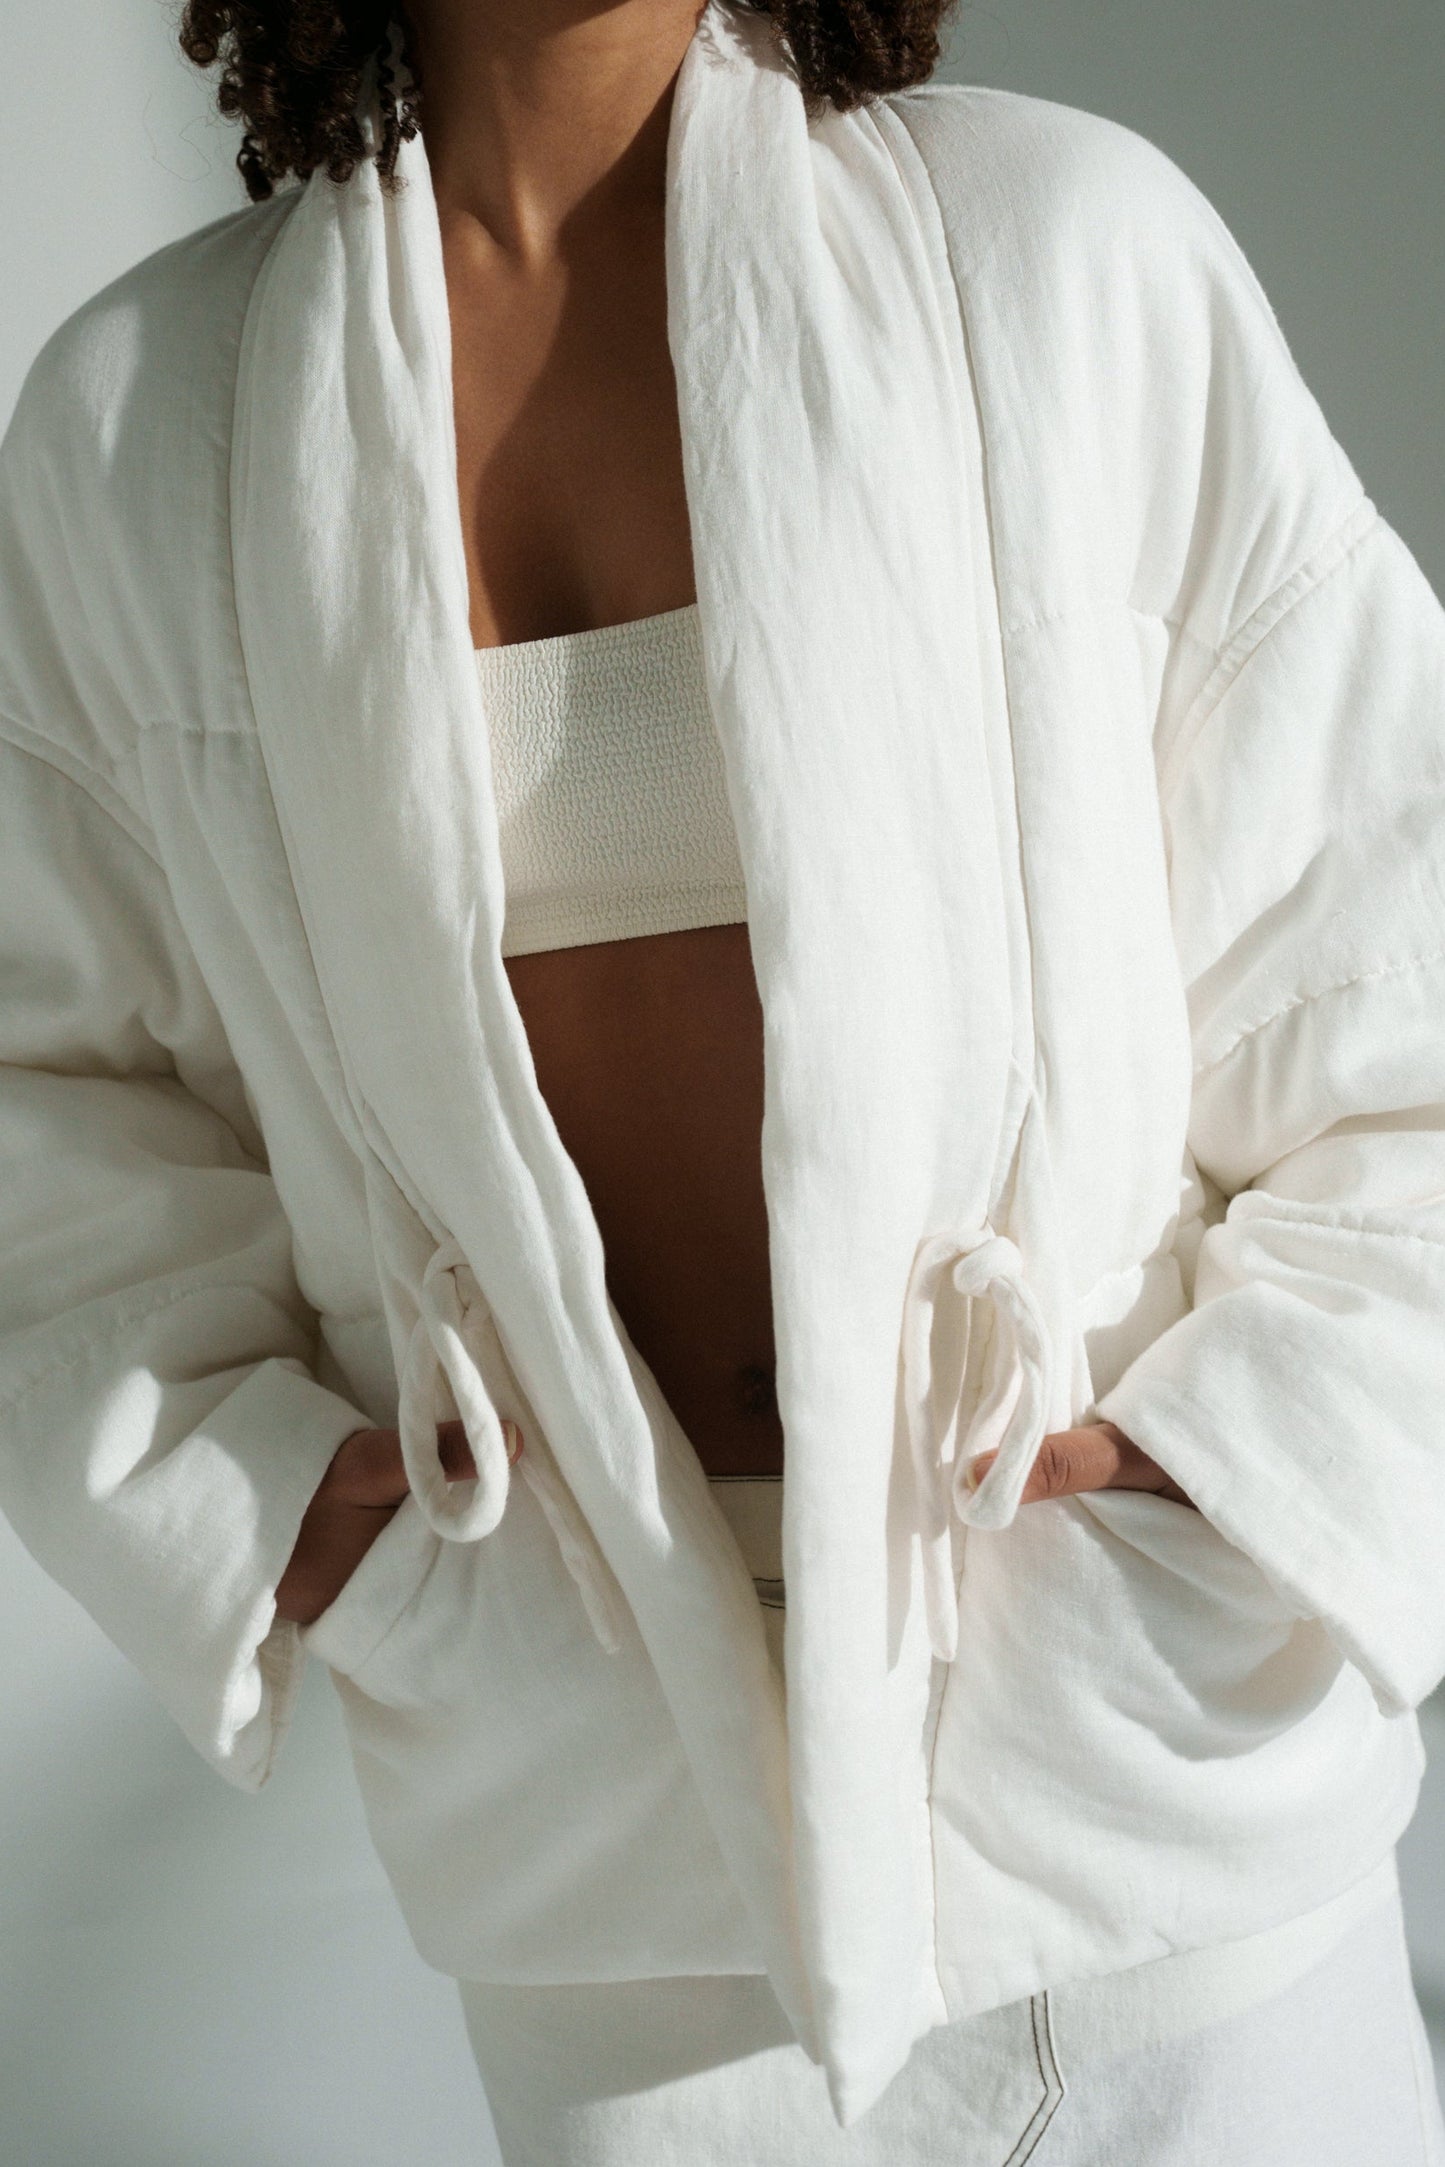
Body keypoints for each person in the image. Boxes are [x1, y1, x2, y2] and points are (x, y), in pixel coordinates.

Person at [1, 0, 1442, 2158]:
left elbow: (1401, 965)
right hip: (616, 1895)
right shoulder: (136, 439)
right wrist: (278, 1508)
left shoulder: (1069, 257)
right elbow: (43, 1091)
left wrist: (1221, 1486)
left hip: (1145, 1809)